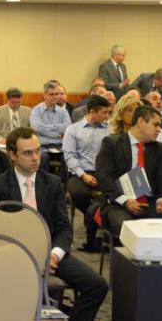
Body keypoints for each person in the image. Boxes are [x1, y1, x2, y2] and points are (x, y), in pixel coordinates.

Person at [0, 127, 108, 321]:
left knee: (97, 285)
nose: (36, 157)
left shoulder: (51, 182)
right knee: (11, 290)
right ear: (12, 155)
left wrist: (53, 255)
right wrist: (27, 259)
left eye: (37, 150)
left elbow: (64, 227)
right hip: (14, 256)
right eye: (28, 153)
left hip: (50, 253)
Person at [95, 105, 162, 236]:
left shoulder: (159, 149)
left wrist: (161, 200)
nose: (159, 130)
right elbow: (103, 177)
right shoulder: (112, 143)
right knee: (128, 228)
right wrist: (125, 200)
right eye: (156, 125)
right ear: (141, 122)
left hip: (149, 204)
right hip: (118, 203)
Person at [62, 95, 111, 249]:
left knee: (112, 194)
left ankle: (93, 219)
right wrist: (83, 175)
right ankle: (94, 218)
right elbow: (69, 156)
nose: (107, 116)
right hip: (79, 172)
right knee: (79, 194)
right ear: (92, 112)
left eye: (108, 112)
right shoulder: (73, 130)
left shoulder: (110, 129)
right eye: (104, 112)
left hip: (103, 172)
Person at [30, 80, 71, 150]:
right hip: (42, 146)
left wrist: (46, 127)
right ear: (44, 95)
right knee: (43, 155)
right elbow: (38, 128)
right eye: (51, 94)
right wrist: (56, 134)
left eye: (56, 94)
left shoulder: (63, 112)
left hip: (60, 145)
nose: (55, 97)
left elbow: (68, 127)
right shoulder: (36, 110)